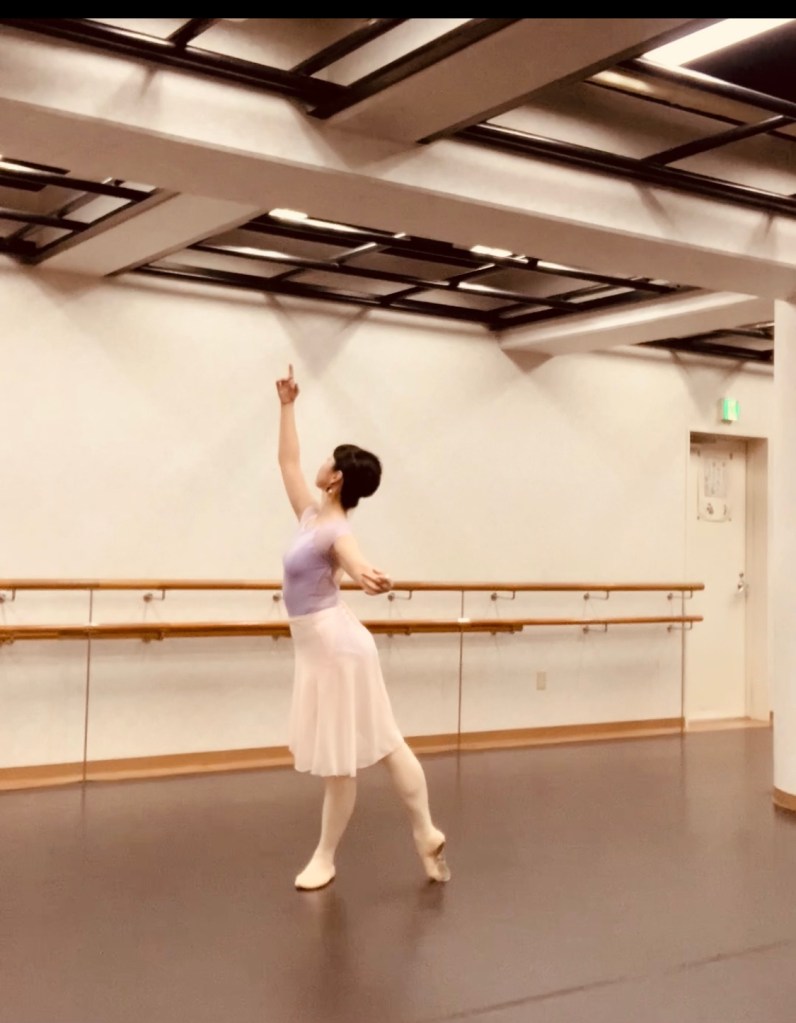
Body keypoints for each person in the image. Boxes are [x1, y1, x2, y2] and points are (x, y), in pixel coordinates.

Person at [276, 364, 450, 891]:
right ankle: (425, 831)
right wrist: (287, 405)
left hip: (335, 646)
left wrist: (367, 575)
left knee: (343, 761)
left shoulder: (334, 530)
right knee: (386, 741)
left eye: (329, 460)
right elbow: (287, 462)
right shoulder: (311, 516)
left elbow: (353, 559)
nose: (320, 463)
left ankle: (325, 858)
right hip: (326, 645)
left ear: (336, 479)